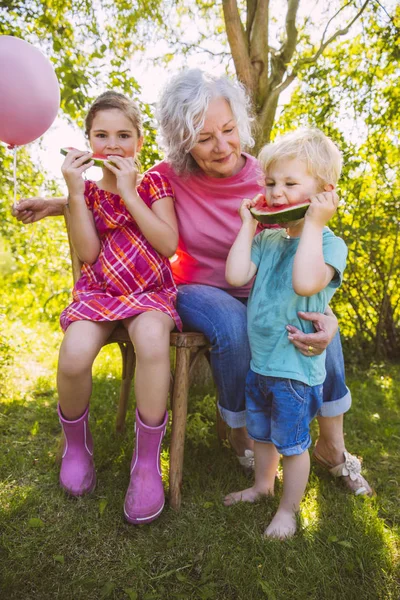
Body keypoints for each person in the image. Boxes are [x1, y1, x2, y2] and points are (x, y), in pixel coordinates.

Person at [12, 69, 372, 496]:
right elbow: (116, 195)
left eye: (228, 130)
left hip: (262, 287)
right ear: (183, 141)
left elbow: (306, 236)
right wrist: (58, 204)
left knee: (317, 325)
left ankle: (333, 446)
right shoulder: (171, 176)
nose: (221, 146)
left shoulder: (267, 177)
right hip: (198, 288)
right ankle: (240, 432)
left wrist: (325, 313)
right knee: (232, 325)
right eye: (204, 138)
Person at [56, 91, 181, 525]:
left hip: (149, 292)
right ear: (87, 141)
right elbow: (88, 253)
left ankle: (146, 462)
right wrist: (73, 194)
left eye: (123, 135)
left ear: (140, 142)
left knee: (150, 340)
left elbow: (167, 245)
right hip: (100, 292)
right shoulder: (86, 194)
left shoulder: (154, 184)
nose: (112, 144)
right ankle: (77, 447)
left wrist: (130, 193)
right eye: (101, 135)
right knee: (73, 355)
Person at [224, 129, 348, 538]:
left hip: (296, 371)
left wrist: (313, 224)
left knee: (293, 446)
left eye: (290, 184)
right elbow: (236, 274)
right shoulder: (270, 238)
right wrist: (247, 224)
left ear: (323, 192)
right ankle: (262, 486)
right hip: (261, 363)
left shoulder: (330, 245)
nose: (276, 193)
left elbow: (304, 283)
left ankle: (288, 512)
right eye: (271, 183)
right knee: (262, 436)